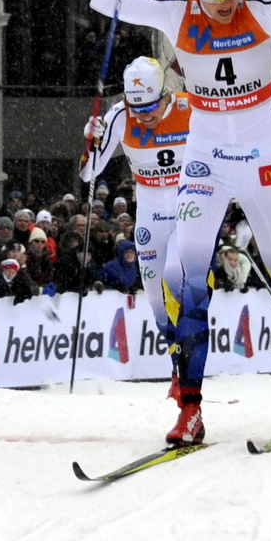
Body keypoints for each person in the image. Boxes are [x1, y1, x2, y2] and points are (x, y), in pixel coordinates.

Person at [98, 0, 271, 446]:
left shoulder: (262, 1)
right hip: (204, 164)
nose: (224, 1)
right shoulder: (176, 10)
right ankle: (191, 409)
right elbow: (108, 1)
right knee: (185, 279)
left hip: (263, 160)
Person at [81, 55, 190, 366]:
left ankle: (191, 361)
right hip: (151, 210)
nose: (143, 116)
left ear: (164, 94)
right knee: (156, 299)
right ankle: (177, 366)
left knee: (176, 278)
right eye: (136, 108)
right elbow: (89, 173)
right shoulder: (119, 115)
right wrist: (90, 141)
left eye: (149, 107)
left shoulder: (188, 108)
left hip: (188, 207)